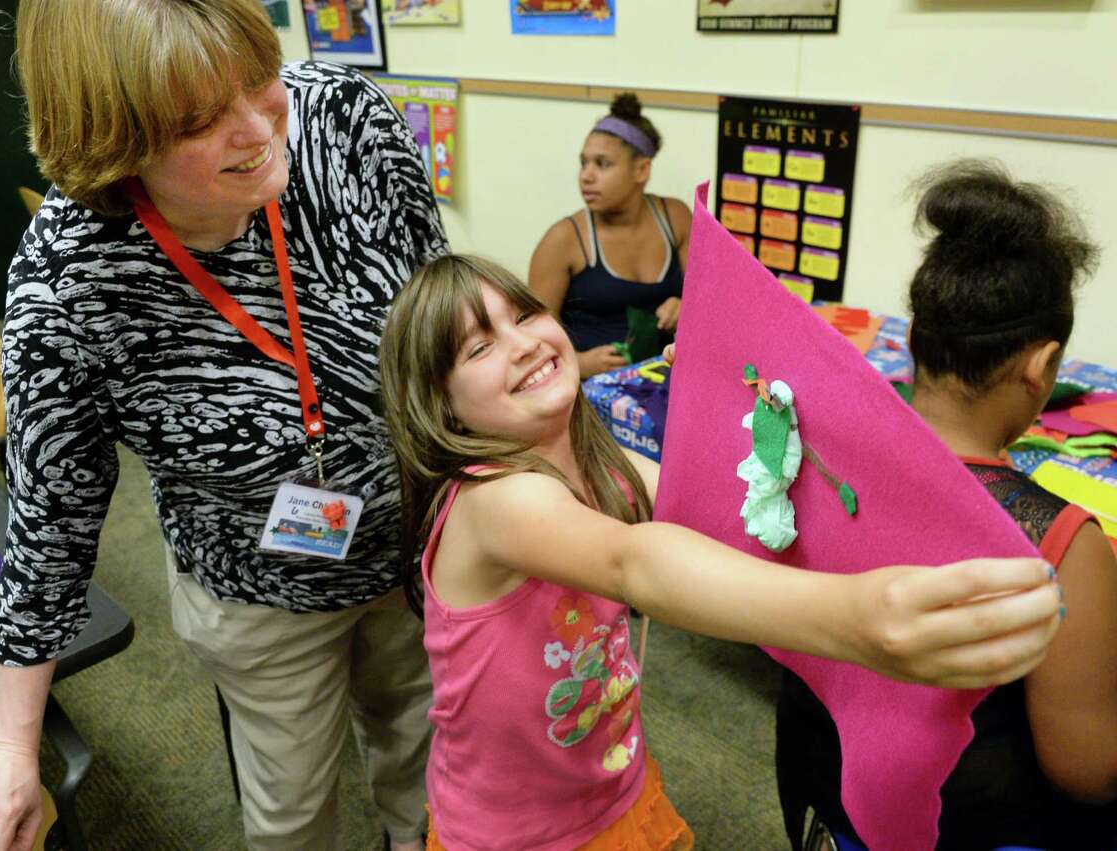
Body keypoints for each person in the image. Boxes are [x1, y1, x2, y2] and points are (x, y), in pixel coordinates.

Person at [0, 2, 446, 850]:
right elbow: (50, 520)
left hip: (423, 549)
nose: (256, 128)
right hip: (259, 583)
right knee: (290, 812)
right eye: (200, 119)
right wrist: (10, 741)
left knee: (431, 780)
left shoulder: (343, 120)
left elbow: (440, 322)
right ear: (115, 142)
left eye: (257, 79)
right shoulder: (72, 286)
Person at [377, 253, 1064, 850]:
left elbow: (705, 512)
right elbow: (636, 560)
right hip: (512, 831)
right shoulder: (494, 500)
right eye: (478, 347)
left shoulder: (599, 459)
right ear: (445, 411)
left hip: (604, 782)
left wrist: (718, 395)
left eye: (524, 315)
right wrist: (858, 616)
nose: (521, 343)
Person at [775, 161, 1117, 850]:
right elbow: (1087, 771)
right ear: (1041, 367)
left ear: (919, 338)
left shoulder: (814, 462)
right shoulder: (1062, 544)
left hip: (823, 803)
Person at [529, 93, 690, 379]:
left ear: (642, 169)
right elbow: (532, 342)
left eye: (602, 164)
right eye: (584, 163)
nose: (586, 176)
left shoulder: (676, 218)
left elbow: (711, 302)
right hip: (593, 395)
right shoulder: (563, 240)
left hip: (666, 386)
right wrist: (577, 364)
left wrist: (686, 307)